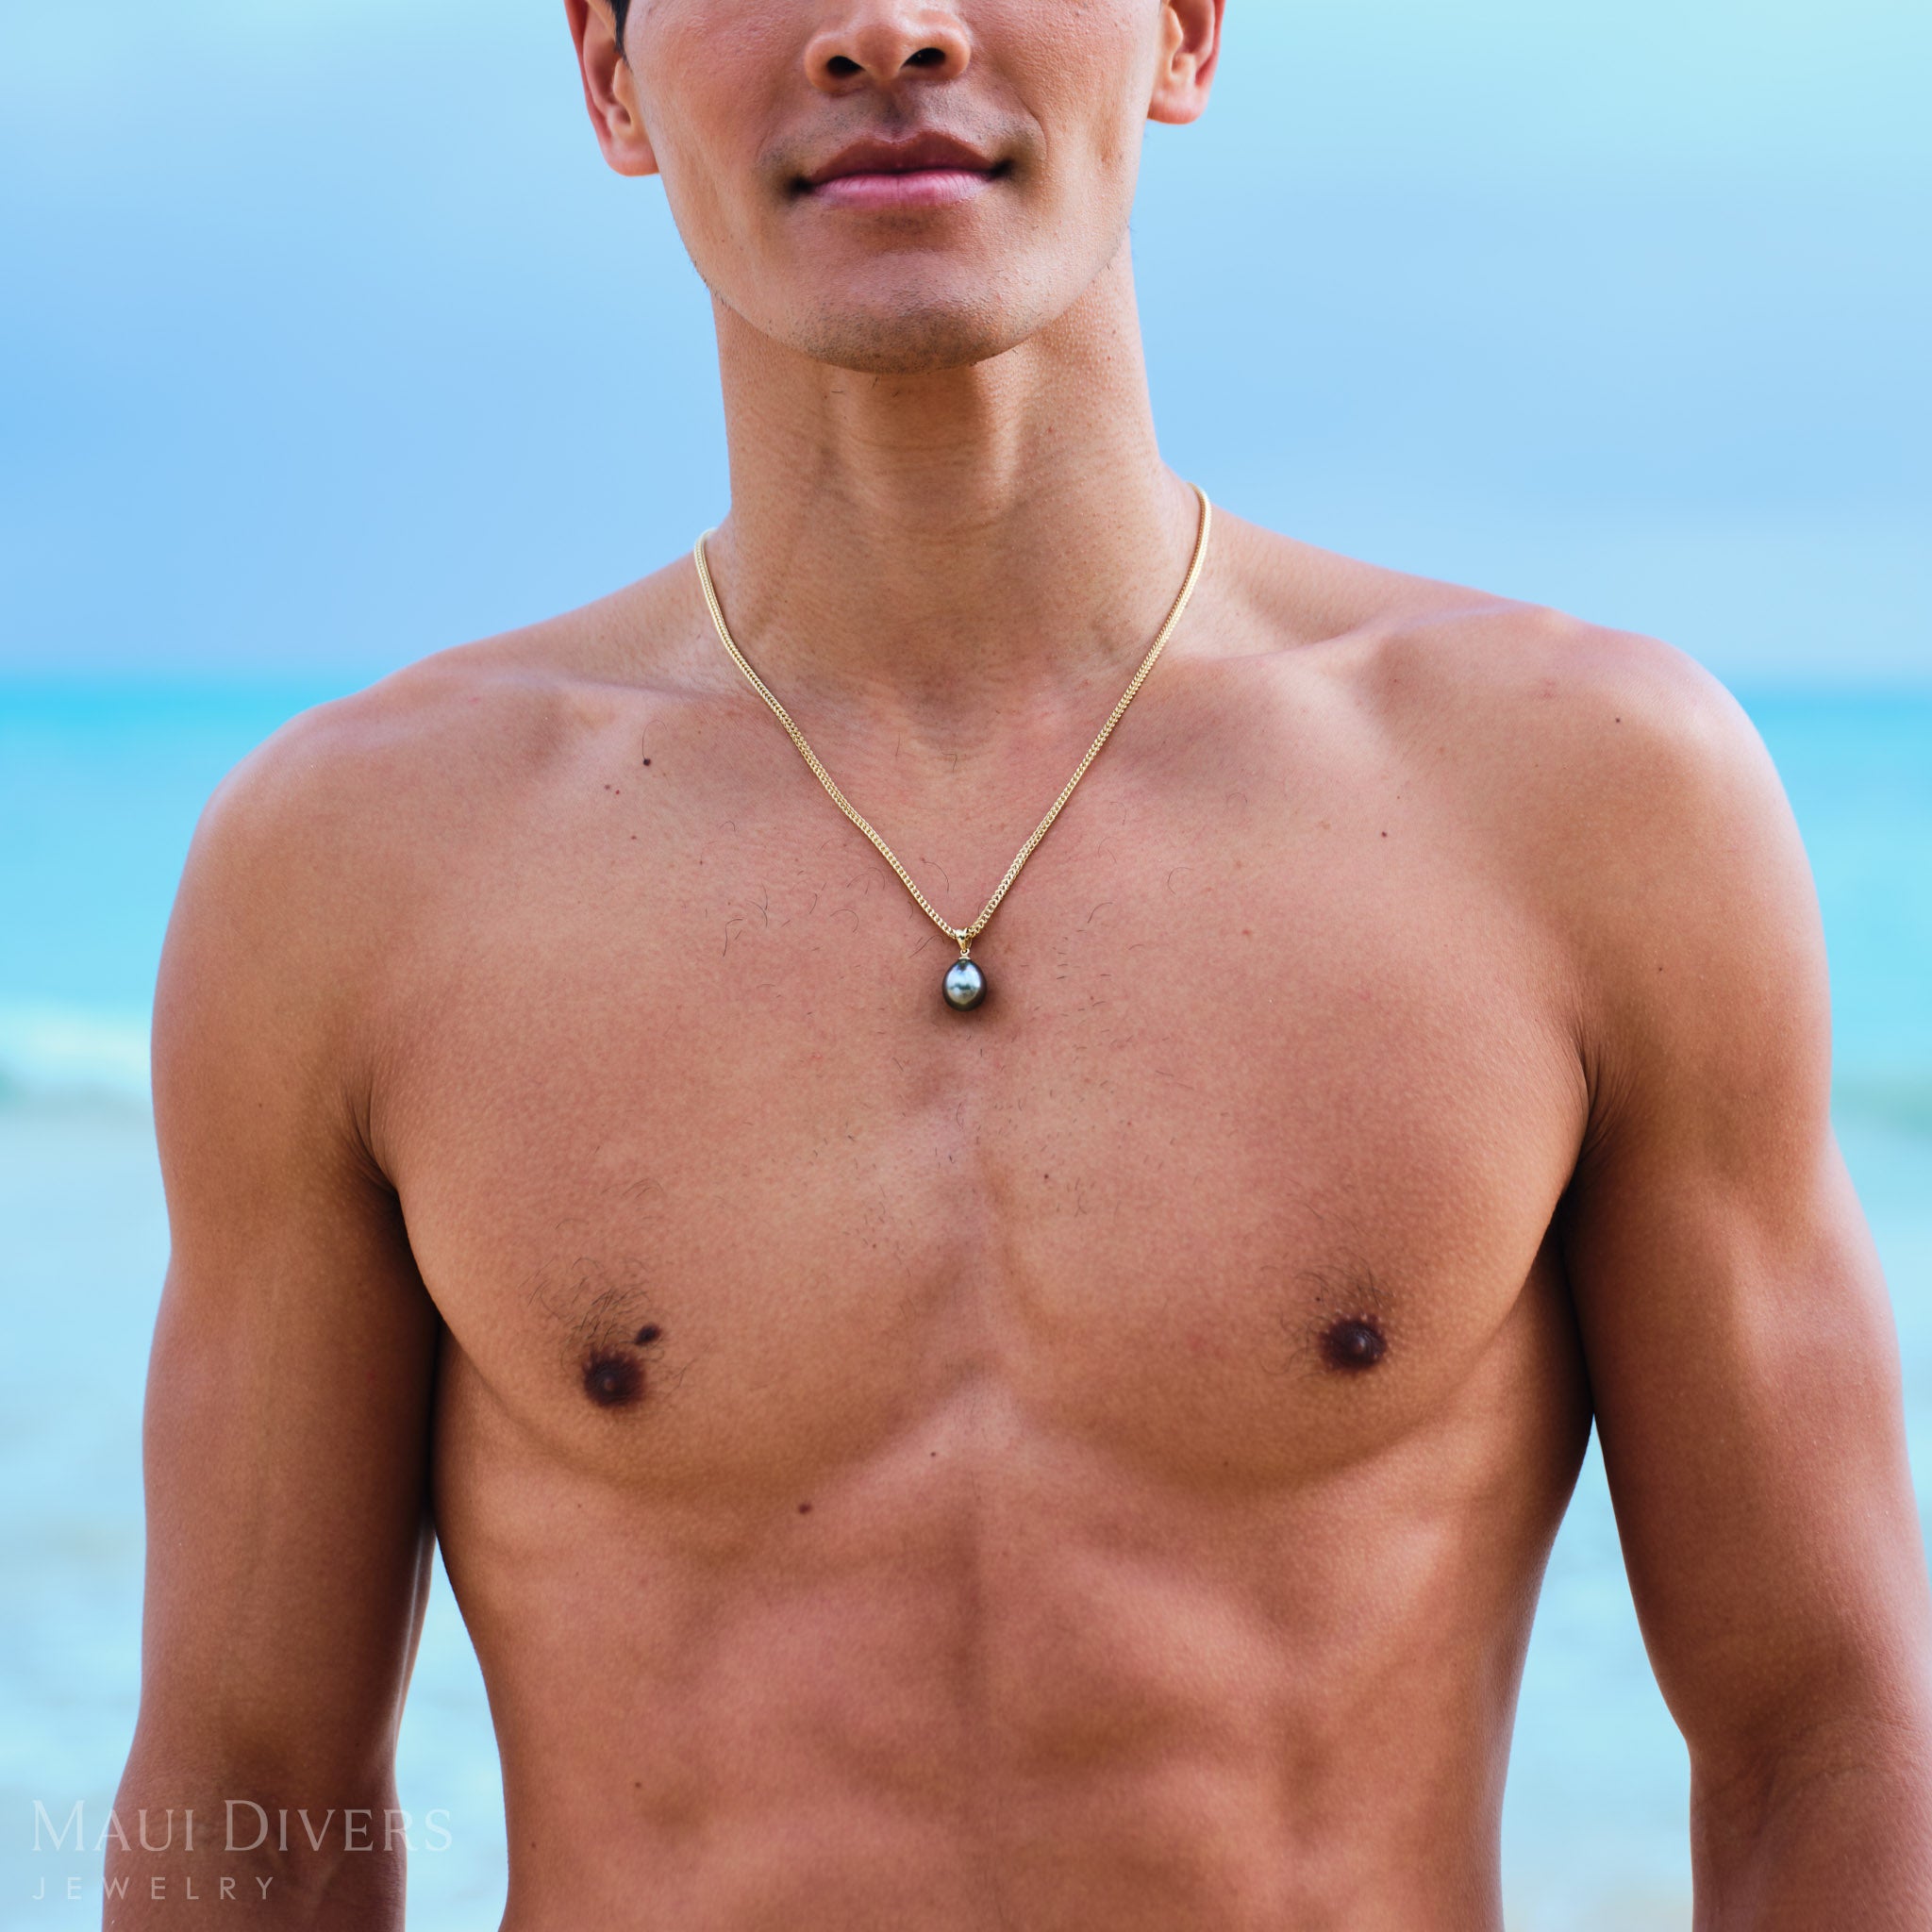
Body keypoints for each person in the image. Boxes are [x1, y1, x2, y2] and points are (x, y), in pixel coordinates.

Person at [110, 2, 1932, 1925]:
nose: (886, 27)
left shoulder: (1590, 796)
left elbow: (1829, 1729)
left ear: (1185, 29)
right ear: (607, 73)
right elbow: (250, 1793)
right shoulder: (356, 866)